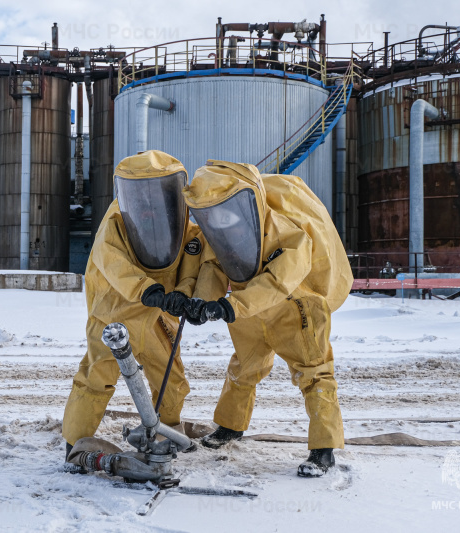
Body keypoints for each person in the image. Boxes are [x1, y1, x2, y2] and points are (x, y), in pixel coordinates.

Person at [181, 159, 353, 477]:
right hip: (247, 308)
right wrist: (201, 303)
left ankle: (324, 449)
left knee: (314, 374)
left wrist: (230, 306)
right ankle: (230, 427)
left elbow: (278, 281)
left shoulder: (291, 237)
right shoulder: (222, 230)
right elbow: (213, 264)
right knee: (244, 368)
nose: (221, 219)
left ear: (249, 202)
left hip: (297, 307)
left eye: (226, 210)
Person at [62, 150, 206, 459]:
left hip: (158, 317)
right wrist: (147, 289)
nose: (149, 210)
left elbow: (192, 263)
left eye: (157, 201)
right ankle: (74, 443)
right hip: (115, 312)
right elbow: (113, 263)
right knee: (96, 378)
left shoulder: (186, 227)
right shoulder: (114, 223)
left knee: (172, 380)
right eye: (141, 202)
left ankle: (167, 432)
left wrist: (181, 293)